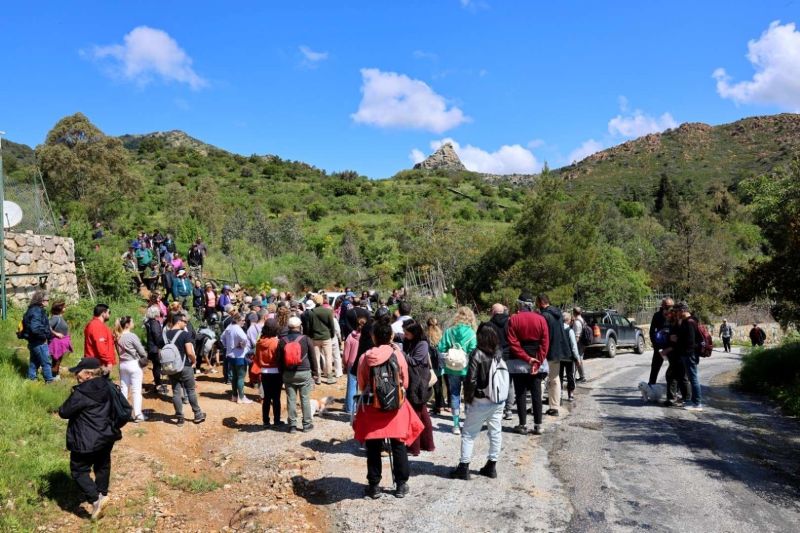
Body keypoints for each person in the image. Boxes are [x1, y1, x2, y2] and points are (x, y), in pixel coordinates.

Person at [353, 315, 423, 499]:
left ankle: (374, 486)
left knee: (373, 446)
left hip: (373, 407)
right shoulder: (398, 354)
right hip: (395, 407)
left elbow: (361, 383)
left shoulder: (365, 357)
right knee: (398, 444)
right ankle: (401, 485)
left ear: (374, 337)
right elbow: (405, 381)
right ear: (391, 337)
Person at [58, 358, 118, 521]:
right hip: (106, 436)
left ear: (89, 374)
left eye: (78, 372)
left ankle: (96, 499)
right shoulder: (109, 385)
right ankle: (102, 493)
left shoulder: (82, 392)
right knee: (102, 464)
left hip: (86, 439)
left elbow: (64, 412)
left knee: (78, 470)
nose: (76, 375)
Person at [451, 325, 506, 480]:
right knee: (495, 432)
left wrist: (468, 400)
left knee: (468, 434)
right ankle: (492, 465)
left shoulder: (477, 353)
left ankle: (464, 467)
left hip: (481, 400)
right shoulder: (499, 352)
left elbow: (471, 380)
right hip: (497, 399)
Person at [506, 293, 549, 435]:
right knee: (537, 394)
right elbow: (545, 343)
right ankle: (538, 425)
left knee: (521, 394)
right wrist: (537, 361)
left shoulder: (514, 319)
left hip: (519, 363)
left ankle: (522, 424)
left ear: (520, 304)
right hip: (536, 361)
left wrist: (526, 358)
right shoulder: (541, 319)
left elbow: (513, 343)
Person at [276, 316, 320, 433]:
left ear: (289, 327)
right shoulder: (306, 339)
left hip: (288, 373)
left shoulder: (282, 341)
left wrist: (282, 373)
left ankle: (292, 426)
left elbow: (279, 360)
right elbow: (313, 357)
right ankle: (306, 424)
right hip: (304, 372)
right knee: (305, 399)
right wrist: (315, 373)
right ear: (299, 326)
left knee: (291, 399)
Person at [438, 307, 478, 434]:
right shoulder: (471, 333)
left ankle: (455, 425)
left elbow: (441, 348)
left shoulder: (449, 331)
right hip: (466, 369)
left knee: (454, 394)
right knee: (467, 395)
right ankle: (466, 423)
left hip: (452, 367)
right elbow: (474, 351)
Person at [164, 311, 207, 425]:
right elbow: (189, 351)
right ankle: (198, 414)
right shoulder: (184, 334)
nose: (186, 324)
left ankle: (180, 418)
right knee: (191, 390)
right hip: (185, 366)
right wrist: (194, 360)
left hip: (172, 367)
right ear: (179, 322)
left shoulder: (165, 335)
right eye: (185, 322)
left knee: (176, 392)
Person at [402, 320, 435, 457]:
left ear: (414, 333)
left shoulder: (422, 344)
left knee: (415, 414)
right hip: (416, 382)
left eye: (407, 333)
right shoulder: (412, 341)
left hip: (418, 383)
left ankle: (415, 447)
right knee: (422, 413)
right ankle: (427, 444)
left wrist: (401, 354)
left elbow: (415, 361)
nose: (404, 335)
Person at [536, 294, 571, 417]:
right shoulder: (558, 314)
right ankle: (554, 407)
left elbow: (542, 335)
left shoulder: (544, 315)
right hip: (557, 351)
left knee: (540, 379)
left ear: (540, 302)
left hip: (545, 351)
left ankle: (537, 406)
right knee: (555, 379)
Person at [113, 316, 147, 422]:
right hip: (133, 364)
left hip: (123, 364)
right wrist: (145, 356)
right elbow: (141, 351)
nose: (133, 323)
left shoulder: (117, 336)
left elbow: (118, 353)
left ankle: (123, 413)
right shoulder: (132, 336)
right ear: (127, 324)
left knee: (124, 389)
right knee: (136, 390)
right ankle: (137, 415)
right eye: (131, 321)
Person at [483, 303, 514, 420]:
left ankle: (497, 408)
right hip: (509, 354)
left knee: (495, 381)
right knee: (509, 383)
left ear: (493, 312)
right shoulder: (510, 323)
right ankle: (509, 409)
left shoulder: (489, 325)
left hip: (494, 356)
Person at [673, 302, 702, 411]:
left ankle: (697, 403)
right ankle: (694, 402)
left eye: (677, 311)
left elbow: (691, 341)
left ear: (682, 311)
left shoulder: (690, 322)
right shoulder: (688, 321)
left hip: (689, 354)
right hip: (687, 354)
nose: (676, 314)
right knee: (691, 378)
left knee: (693, 379)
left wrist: (677, 339)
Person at [23, 290, 56, 383]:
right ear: (41, 300)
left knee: (34, 362)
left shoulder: (32, 310)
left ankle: (31, 379)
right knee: (46, 362)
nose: (48, 302)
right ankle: (49, 381)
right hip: (39, 342)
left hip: (33, 341)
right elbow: (35, 328)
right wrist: (44, 337)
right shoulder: (37, 311)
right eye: (47, 300)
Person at [659, 307, 689, 407]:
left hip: (679, 355)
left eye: (669, 314)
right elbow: (671, 338)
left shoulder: (679, 324)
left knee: (682, 377)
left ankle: (687, 399)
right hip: (673, 355)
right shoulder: (671, 324)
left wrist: (669, 349)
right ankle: (673, 398)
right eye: (666, 315)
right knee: (672, 376)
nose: (667, 316)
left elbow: (679, 340)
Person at [255, 319, 283, 427]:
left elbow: (257, 358)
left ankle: (265, 421)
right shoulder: (276, 342)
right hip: (276, 372)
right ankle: (277, 420)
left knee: (266, 398)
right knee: (276, 397)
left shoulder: (259, 343)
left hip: (264, 372)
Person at [221, 311, 252, 404]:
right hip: (240, 356)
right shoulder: (238, 329)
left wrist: (228, 346)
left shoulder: (229, 327)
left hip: (230, 355)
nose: (244, 322)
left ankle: (234, 396)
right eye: (243, 320)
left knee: (234, 376)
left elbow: (222, 338)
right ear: (238, 320)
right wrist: (241, 345)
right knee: (241, 377)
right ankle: (241, 397)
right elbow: (245, 339)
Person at [309, 293, 338, 384]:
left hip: (315, 338)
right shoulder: (328, 311)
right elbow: (332, 326)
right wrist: (332, 335)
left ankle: (318, 378)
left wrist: (311, 336)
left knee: (316, 358)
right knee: (328, 357)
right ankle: (329, 377)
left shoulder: (311, 312)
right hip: (326, 337)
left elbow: (310, 326)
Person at [648, 298, 674, 385]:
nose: (669, 308)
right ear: (662, 306)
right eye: (667, 306)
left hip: (671, 347)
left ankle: (674, 393)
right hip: (659, 346)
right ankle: (650, 389)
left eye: (671, 306)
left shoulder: (674, 315)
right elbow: (652, 331)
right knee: (655, 369)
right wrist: (655, 345)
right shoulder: (657, 315)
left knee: (674, 370)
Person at [343, 317, 366, 414]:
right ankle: (363, 407)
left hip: (352, 363)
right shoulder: (366, 337)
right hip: (363, 363)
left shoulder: (350, 336)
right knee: (364, 386)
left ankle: (350, 408)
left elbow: (346, 354)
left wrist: (345, 364)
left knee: (351, 385)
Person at [84, 304, 116, 374]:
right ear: (103, 313)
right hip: (97, 364)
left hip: (97, 362)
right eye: (109, 312)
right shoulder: (97, 326)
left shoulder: (95, 324)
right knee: (98, 383)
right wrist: (108, 361)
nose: (109, 314)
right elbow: (100, 346)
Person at [144, 306, 168, 395]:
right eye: (158, 311)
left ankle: (158, 383)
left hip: (151, 347)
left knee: (156, 366)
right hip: (155, 348)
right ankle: (158, 385)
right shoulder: (154, 323)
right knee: (157, 367)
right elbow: (157, 336)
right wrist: (162, 346)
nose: (159, 312)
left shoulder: (149, 322)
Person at [426, 317, 447, 414]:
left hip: (433, 362)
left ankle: (439, 405)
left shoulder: (427, 335)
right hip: (442, 361)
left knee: (436, 384)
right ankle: (443, 404)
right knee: (442, 383)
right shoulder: (441, 333)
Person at [48, 301, 72, 377]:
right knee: (56, 362)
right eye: (64, 307)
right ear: (59, 308)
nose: (65, 308)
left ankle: (55, 375)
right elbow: (47, 326)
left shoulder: (60, 317)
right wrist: (56, 333)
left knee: (57, 362)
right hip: (56, 344)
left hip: (60, 343)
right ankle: (53, 377)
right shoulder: (55, 318)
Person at [561, 312, 580, 402]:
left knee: (559, 376)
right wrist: (577, 358)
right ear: (568, 320)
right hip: (568, 357)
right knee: (570, 375)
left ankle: (559, 393)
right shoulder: (570, 331)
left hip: (559, 357)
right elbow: (573, 346)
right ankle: (570, 394)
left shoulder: (557, 329)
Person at [571, 307, 588, 382]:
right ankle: (581, 376)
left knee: (578, 359)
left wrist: (574, 345)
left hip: (579, 343)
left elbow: (577, 335)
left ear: (574, 312)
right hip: (583, 343)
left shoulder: (577, 322)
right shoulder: (582, 320)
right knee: (579, 359)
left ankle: (582, 377)